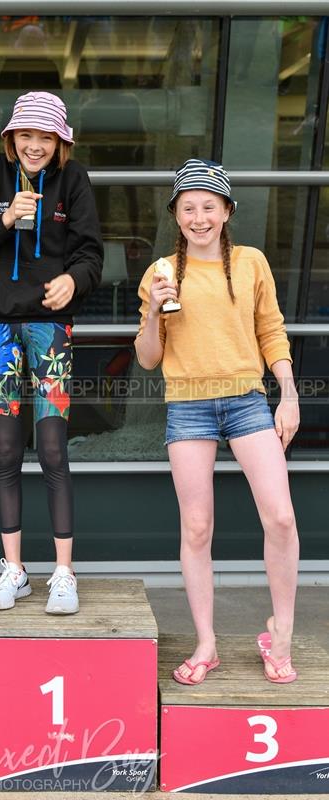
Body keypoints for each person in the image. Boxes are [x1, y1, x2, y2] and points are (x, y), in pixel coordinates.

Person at [134, 159, 300, 684]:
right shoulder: (161, 271)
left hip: (248, 400)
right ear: (176, 216)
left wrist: (289, 394)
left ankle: (282, 635)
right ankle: (207, 642)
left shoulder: (251, 263)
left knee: (281, 517)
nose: (199, 217)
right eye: (188, 208)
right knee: (198, 527)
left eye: (209, 206)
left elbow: (272, 332)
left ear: (227, 211)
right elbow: (147, 359)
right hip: (188, 405)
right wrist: (153, 313)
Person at [0, 91, 103, 615]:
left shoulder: (74, 179)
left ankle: (64, 571)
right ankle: (14, 570)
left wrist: (73, 280)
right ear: (11, 137)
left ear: (60, 142)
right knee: (3, 451)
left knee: (53, 449)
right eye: (26, 135)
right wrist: (4, 218)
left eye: (45, 137)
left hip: (50, 328)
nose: (34, 145)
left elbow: (92, 253)